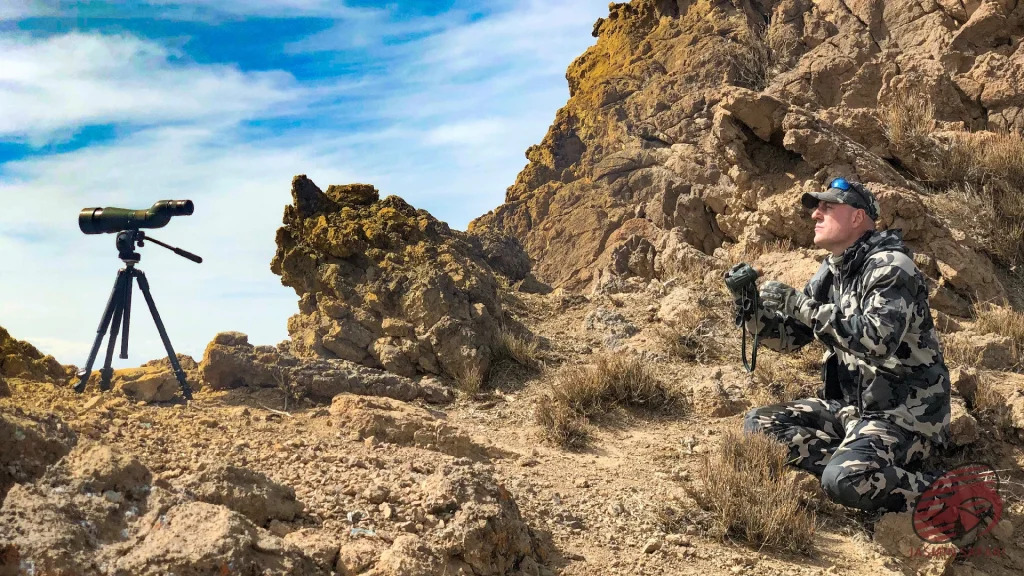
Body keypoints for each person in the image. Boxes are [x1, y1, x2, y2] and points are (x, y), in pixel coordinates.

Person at [740, 177, 951, 513]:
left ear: (857, 217)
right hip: (851, 410)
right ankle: (859, 466)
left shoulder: (892, 266)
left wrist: (799, 304)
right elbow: (790, 338)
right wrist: (749, 308)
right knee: (757, 426)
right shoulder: (833, 271)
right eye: (815, 208)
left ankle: (946, 495)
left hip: (902, 417)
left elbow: (876, 342)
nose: (815, 215)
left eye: (827, 207)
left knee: (845, 481)